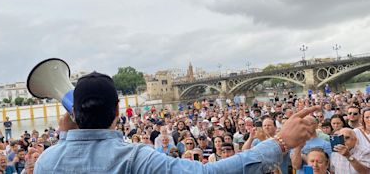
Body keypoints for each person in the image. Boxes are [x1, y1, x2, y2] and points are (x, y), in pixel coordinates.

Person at [34, 71, 321, 174]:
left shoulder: (45, 163)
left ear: (73, 116)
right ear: (118, 112)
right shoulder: (135, 158)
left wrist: (64, 138)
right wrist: (281, 142)